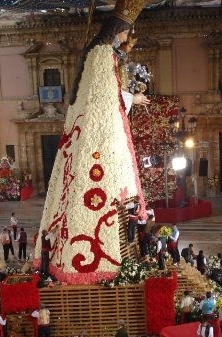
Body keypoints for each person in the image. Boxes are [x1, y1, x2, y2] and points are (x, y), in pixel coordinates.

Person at [34, 5, 151, 285]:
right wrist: (131, 99)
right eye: (125, 32)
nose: (127, 37)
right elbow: (103, 96)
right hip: (99, 134)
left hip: (97, 132)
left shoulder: (104, 53)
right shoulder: (100, 54)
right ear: (117, 29)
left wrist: (124, 67)